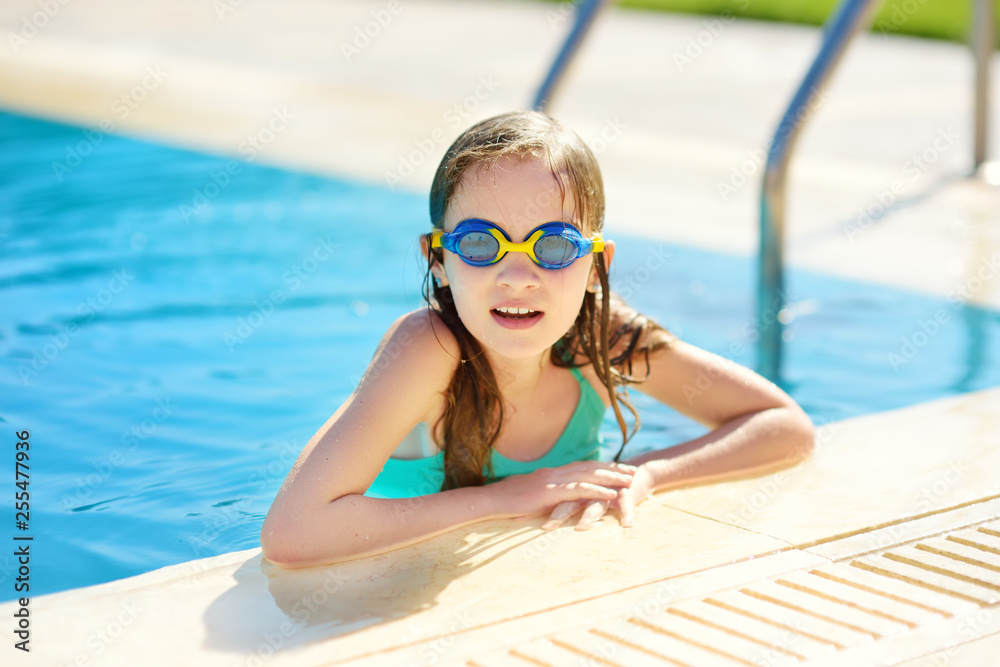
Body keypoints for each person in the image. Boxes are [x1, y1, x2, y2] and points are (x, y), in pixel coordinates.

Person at [260, 111, 814, 569]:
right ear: (440, 261)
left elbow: (782, 426)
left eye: (553, 246)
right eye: (480, 244)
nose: (518, 275)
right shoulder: (428, 348)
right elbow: (295, 532)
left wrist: (646, 474)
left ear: (596, 267)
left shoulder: (601, 337)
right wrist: (501, 499)